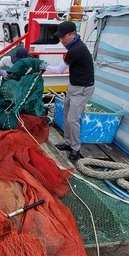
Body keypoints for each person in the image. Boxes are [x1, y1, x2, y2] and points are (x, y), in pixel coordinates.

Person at [41, 21, 95, 161]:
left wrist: (44, 66)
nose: (61, 41)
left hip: (83, 88)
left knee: (73, 119)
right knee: (66, 114)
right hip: (74, 85)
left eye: (63, 37)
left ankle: (75, 148)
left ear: (73, 34)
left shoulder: (76, 50)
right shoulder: (74, 47)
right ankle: (68, 142)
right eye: (59, 37)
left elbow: (59, 70)